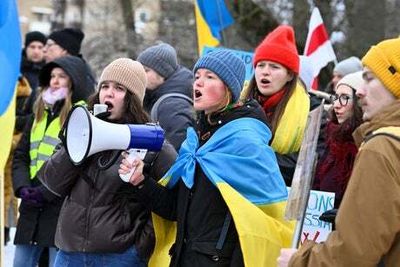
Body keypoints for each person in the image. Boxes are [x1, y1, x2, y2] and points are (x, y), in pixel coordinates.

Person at [121, 50, 293, 267]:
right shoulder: (196, 141)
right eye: (197, 76)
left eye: (209, 77)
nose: (198, 83)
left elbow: (260, 224)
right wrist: (141, 182)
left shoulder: (246, 142)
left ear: (229, 88)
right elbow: (176, 210)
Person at [38, 58, 177, 267]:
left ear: (133, 98)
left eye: (119, 88)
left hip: (119, 256)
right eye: (105, 86)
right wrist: (75, 140)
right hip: (70, 252)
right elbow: (52, 181)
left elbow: (173, 202)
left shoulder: (152, 143)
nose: (108, 93)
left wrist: (140, 246)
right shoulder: (81, 126)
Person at [278, 37, 400, 267]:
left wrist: (299, 260)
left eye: (370, 79)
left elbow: (354, 253)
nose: (360, 92)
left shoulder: (382, 146)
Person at [12, 55, 94, 267]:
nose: (55, 81)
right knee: (21, 262)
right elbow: (21, 154)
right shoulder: (38, 113)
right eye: (52, 76)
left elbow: (75, 164)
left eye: (62, 76)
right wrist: (22, 188)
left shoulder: (81, 116)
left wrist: (45, 191)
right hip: (31, 205)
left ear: (74, 81)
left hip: (59, 208)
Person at [243, 25, 310, 185]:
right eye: (260, 65)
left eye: (274, 67)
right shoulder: (236, 104)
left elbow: (299, 163)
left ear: (289, 75)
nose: (265, 72)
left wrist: (252, 161)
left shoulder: (310, 112)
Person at [313, 71, 363, 209]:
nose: (336, 105)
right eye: (336, 97)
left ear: (360, 102)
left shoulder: (364, 144)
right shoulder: (332, 137)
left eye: (345, 97)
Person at [138, 42, 194, 150]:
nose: (140, 74)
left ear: (163, 72)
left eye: (146, 70)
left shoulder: (171, 106)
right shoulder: (155, 95)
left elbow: (177, 156)